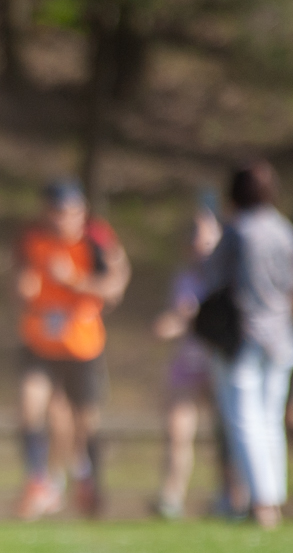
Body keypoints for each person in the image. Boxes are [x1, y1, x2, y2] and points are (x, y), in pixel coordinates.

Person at [14, 178, 130, 520]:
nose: (61, 219)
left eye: (69, 212)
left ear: (81, 212)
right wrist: (23, 288)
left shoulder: (96, 240)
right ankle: (39, 481)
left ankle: (88, 480)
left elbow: (113, 288)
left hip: (82, 344)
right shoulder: (32, 239)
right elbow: (20, 279)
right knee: (30, 406)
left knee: (83, 421)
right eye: (55, 211)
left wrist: (74, 281)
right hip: (40, 341)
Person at [202, 161, 293, 528]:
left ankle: (259, 502)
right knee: (270, 419)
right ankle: (272, 498)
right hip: (281, 335)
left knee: (244, 418)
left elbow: (212, 278)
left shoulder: (238, 231)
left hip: (244, 334)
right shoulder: (284, 229)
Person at [150, 199, 226, 520]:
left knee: (227, 435)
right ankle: (172, 496)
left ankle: (230, 495)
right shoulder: (184, 278)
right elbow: (178, 317)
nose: (199, 244)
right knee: (177, 433)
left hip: (218, 364)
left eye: (207, 238)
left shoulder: (226, 277)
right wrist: (168, 325)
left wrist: (190, 319)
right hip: (187, 363)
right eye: (195, 237)